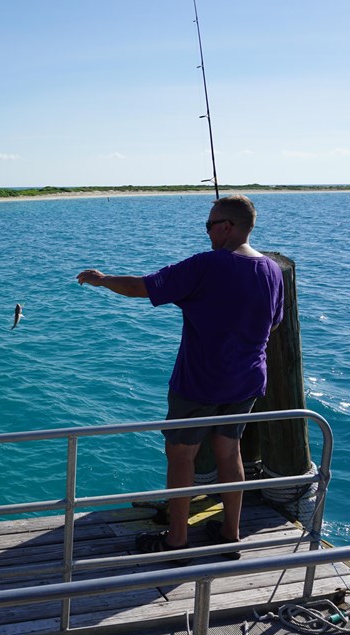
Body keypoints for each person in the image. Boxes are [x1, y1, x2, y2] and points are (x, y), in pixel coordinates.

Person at [76, 194, 284, 560]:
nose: (206, 232)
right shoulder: (272, 271)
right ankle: (230, 533)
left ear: (227, 227)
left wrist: (101, 279)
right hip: (248, 379)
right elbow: (275, 321)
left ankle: (176, 540)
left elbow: (142, 287)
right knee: (229, 450)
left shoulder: (206, 266)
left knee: (181, 455)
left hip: (200, 381)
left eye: (209, 225)